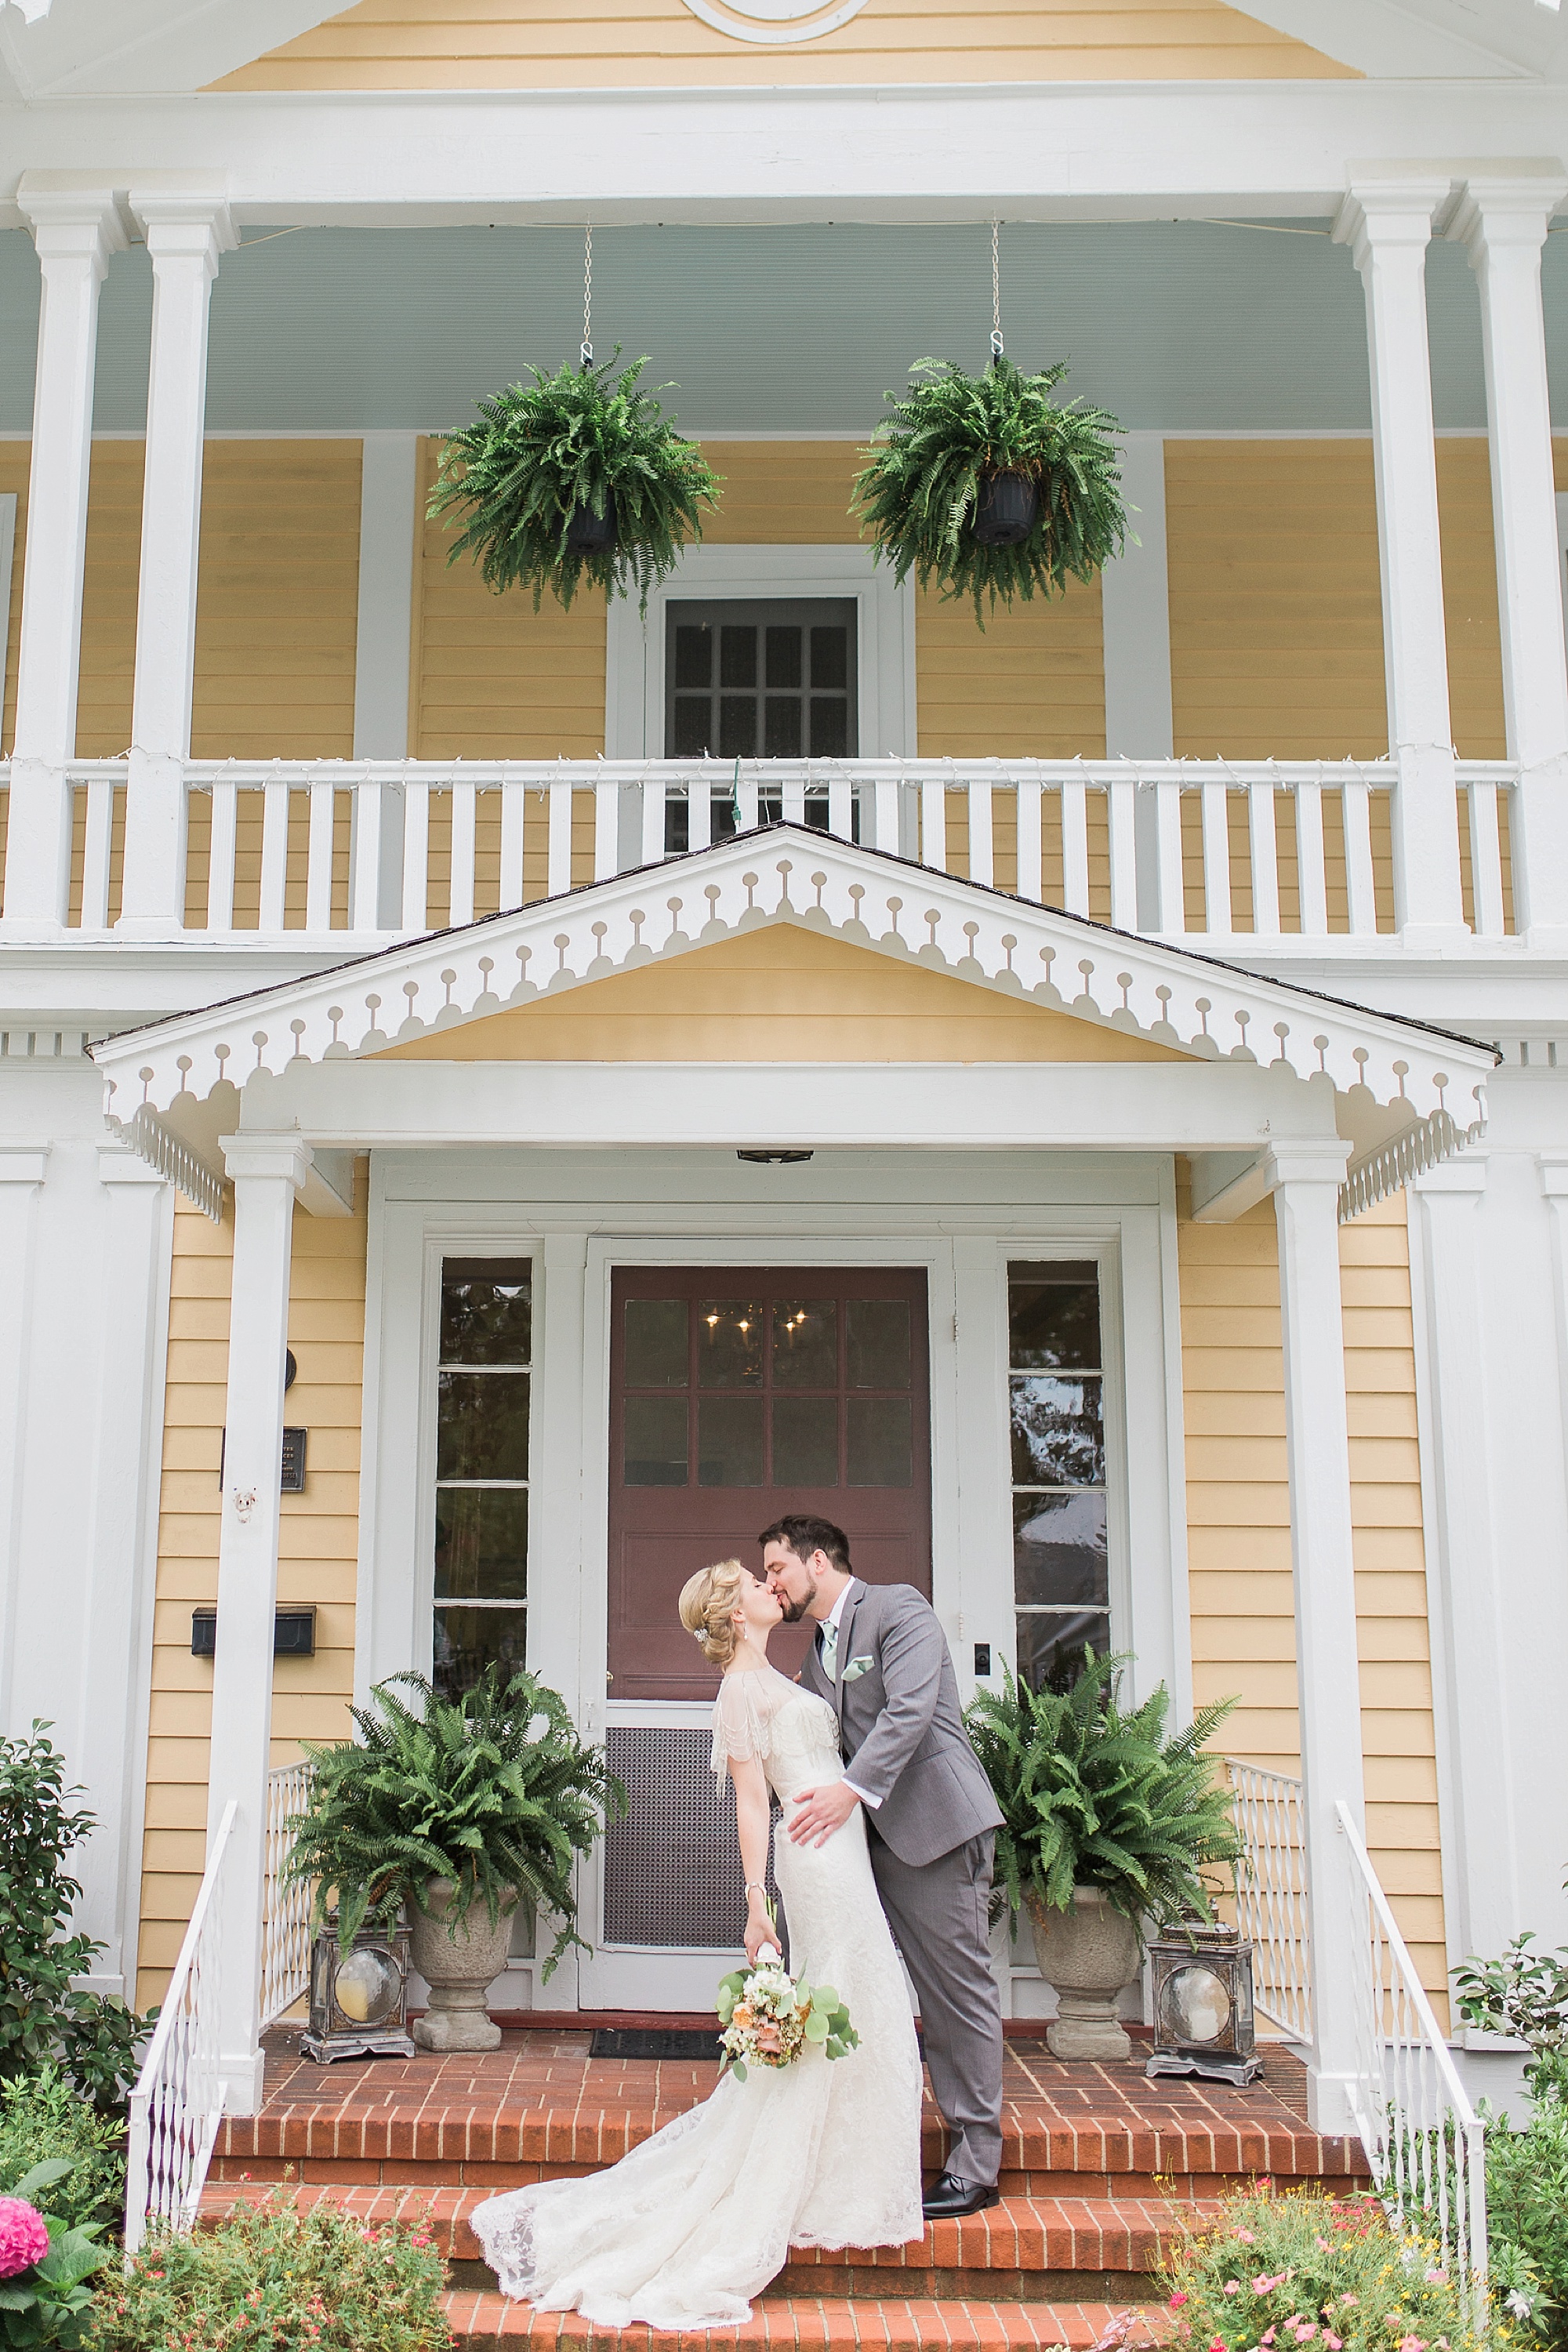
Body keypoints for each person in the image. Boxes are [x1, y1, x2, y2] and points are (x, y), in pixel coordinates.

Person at [470, 1556, 924, 2332]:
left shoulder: (784, 1675)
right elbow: (752, 1805)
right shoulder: (739, 1695)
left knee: (865, 2000)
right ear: (733, 1613)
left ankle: (846, 2177)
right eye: (754, 1583)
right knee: (853, 1995)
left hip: (842, 1848)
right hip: (815, 1861)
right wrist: (758, 1904)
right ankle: (816, 2184)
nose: (766, 1587)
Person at [760, 1512, 1005, 2220]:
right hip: (868, 1849)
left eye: (778, 1568)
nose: (773, 1584)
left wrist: (848, 1793)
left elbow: (910, 1712)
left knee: (957, 1995)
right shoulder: (814, 1652)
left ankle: (976, 2163)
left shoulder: (899, 1608)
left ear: (816, 1560)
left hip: (935, 1831)